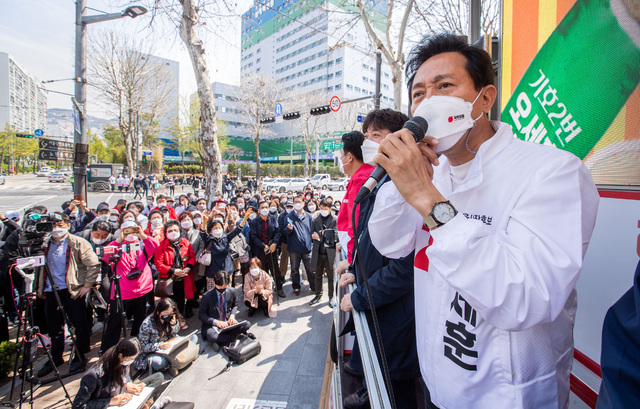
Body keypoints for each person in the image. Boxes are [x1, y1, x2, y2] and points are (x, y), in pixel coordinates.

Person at [367, 33, 599, 408]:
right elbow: (389, 242)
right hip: (438, 388)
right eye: (419, 94)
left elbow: (525, 298)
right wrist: (404, 181)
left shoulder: (551, 172)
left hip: (506, 397)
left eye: (444, 86)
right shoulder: (433, 174)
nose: (429, 102)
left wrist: (429, 200)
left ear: (484, 99)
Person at [337, 109, 420, 409]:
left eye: (377, 135)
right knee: (378, 379)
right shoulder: (378, 184)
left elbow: (402, 268)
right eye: (367, 135)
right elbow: (370, 245)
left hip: (395, 316)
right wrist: (357, 275)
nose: (368, 142)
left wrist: (360, 296)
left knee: (397, 388)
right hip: (378, 306)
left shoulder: (403, 189)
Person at [35, 212, 101, 378]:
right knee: (54, 327)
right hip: (51, 290)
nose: (57, 229)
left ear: (68, 226)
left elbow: (93, 264)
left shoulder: (78, 242)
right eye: (54, 226)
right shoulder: (44, 244)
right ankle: (56, 357)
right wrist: (39, 287)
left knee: (79, 324)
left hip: (72, 290)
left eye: (60, 225)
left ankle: (80, 356)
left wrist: (86, 286)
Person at [100, 220, 160, 354]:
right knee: (114, 325)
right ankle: (108, 354)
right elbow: (104, 255)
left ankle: (134, 349)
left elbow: (156, 246)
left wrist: (142, 235)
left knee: (139, 322)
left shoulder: (142, 246)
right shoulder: (118, 247)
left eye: (133, 230)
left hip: (142, 291)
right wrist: (119, 240)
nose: (130, 233)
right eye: (127, 230)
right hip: (122, 293)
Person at [73, 337, 164, 409]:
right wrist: (110, 401)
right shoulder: (94, 375)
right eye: (130, 359)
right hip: (109, 404)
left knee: (158, 377)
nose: (131, 362)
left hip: (123, 397)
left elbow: (126, 377)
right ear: (120, 355)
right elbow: (78, 406)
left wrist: (128, 384)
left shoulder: (123, 362)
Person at [336, 131, 374, 264]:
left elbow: (356, 224)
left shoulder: (361, 180)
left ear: (350, 157)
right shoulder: (360, 177)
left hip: (356, 256)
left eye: (342, 154)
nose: (341, 158)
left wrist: (351, 261)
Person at [134, 298, 197, 376]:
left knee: (194, 337)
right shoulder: (147, 324)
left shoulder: (172, 318)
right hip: (156, 351)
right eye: (165, 314)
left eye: (171, 313)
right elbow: (143, 346)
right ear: (158, 312)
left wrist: (174, 325)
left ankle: (178, 361)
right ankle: (178, 361)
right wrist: (159, 345)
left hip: (170, 344)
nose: (168, 316)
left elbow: (174, 333)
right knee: (158, 362)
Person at [200, 210, 252, 291]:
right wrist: (204, 222)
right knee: (213, 295)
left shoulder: (226, 238)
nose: (218, 230)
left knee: (227, 294)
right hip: (212, 273)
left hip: (226, 271)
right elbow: (202, 233)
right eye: (215, 228)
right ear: (210, 231)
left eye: (219, 228)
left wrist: (245, 218)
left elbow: (237, 230)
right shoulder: (209, 240)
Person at [199, 270, 251, 352]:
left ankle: (222, 340)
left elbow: (235, 305)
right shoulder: (207, 297)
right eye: (220, 288)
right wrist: (216, 322)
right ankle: (233, 337)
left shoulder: (231, 291)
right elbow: (202, 315)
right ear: (214, 282)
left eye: (224, 288)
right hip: (214, 325)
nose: (222, 290)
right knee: (212, 336)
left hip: (227, 322)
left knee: (247, 324)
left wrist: (232, 316)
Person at [154, 220, 197, 318]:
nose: (173, 232)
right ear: (165, 233)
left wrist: (188, 267)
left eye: (175, 230)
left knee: (183, 298)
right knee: (170, 301)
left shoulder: (185, 242)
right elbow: (159, 264)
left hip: (184, 277)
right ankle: (172, 318)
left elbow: (192, 257)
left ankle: (180, 316)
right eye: (170, 231)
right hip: (169, 279)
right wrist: (174, 271)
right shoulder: (162, 246)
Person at [282, 196, 314, 296]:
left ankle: (314, 287)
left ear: (303, 204)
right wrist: (288, 229)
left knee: (310, 269)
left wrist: (312, 243)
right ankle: (296, 287)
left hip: (307, 248)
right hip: (294, 249)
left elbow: (312, 231)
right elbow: (284, 232)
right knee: (295, 270)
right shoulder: (289, 216)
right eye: (295, 202)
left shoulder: (309, 216)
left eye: (299, 202)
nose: (297, 203)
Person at [309, 199, 337, 307]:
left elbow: (335, 235)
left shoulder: (334, 219)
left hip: (330, 252)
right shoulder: (315, 219)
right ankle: (318, 294)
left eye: (325, 208)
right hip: (318, 252)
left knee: (331, 276)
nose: (323, 210)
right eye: (321, 208)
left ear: (330, 208)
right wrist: (322, 234)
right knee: (318, 274)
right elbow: (312, 232)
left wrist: (320, 236)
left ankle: (331, 296)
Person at [249, 201, 281, 294]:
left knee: (275, 269)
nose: (265, 209)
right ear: (258, 210)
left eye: (266, 207)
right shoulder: (254, 222)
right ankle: (265, 290)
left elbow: (277, 231)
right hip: (260, 249)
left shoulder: (273, 218)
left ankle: (279, 288)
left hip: (272, 248)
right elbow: (253, 236)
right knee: (263, 270)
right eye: (262, 207)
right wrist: (263, 245)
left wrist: (274, 243)